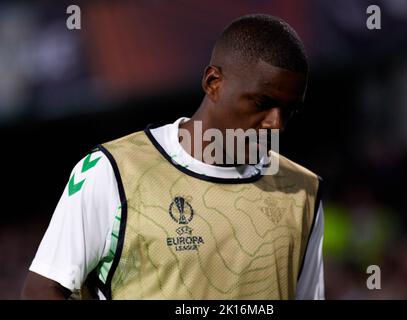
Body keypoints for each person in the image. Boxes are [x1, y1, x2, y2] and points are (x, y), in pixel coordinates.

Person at [22, 13, 325, 300]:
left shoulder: (303, 191)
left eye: (288, 111)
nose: (276, 123)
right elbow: (41, 290)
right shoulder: (112, 170)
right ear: (213, 82)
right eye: (262, 102)